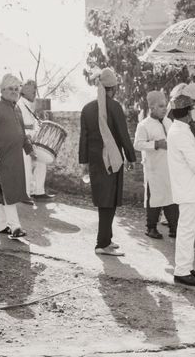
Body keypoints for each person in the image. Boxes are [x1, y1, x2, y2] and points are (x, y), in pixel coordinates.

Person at [79, 68, 136, 256]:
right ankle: (101, 244)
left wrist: (84, 162)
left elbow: (83, 139)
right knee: (107, 203)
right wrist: (131, 157)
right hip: (111, 160)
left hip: (96, 162)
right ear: (113, 88)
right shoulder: (114, 107)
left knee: (106, 201)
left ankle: (107, 239)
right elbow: (123, 134)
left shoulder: (87, 108)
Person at [0, 74, 36, 240]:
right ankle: (15, 227)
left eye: (16, 89)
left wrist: (29, 149)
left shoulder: (17, 108)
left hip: (16, 157)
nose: (14, 92)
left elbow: (21, 133)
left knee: (9, 190)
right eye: (10, 89)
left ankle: (1, 225)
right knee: (8, 190)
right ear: (2, 90)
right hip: (0, 156)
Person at [167, 92, 195, 287]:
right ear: (186, 113)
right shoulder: (180, 131)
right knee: (186, 230)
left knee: (189, 230)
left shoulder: (179, 129)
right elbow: (194, 162)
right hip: (189, 187)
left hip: (187, 187)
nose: (192, 114)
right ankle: (182, 270)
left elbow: (192, 149)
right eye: (191, 110)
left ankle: (186, 266)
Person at [134, 90, 178, 239]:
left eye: (165, 105)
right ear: (151, 107)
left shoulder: (169, 122)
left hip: (169, 168)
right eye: (160, 106)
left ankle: (174, 227)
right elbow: (137, 145)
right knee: (155, 198)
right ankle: (151, 228)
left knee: (171, 198)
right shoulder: (143, 125)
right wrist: (156, 144)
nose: (165, 109)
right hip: (153, 169)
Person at [18, 80, 51, 200]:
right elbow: (19, 124)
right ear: (25, 90)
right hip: (23, 140)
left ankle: (39, 192)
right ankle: (25, 194)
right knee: (26, 166)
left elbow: (32, 123)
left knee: (42, 161)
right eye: (33, 90)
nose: (35, 92)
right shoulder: (19, 104)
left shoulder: (29, 104)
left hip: (33, 139)